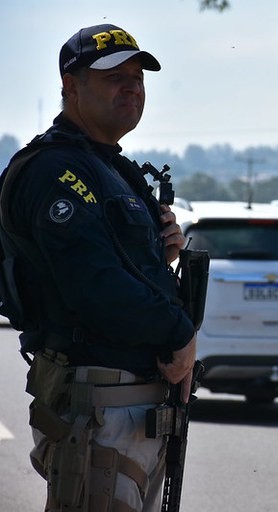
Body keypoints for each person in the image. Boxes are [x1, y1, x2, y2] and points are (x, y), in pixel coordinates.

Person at [0, 24, 196, 511]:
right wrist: (178, 332)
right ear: (70, 87)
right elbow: (94, 287)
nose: (131, 86)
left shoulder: (111, 167)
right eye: (113, 76)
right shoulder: (55, 170)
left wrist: (159, 254)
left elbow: (113, 264)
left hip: (130, 409)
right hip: (99, 409)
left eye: (138, 76)